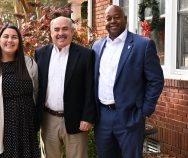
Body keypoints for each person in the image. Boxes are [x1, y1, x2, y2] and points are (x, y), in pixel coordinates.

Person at [92, 5, 164, 158]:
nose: (112, 21)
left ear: (125, 19)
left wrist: (144, 110)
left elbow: (156, 80)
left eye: (116, 17)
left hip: (130, 117)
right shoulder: (97, 46)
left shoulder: (142, 45)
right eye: (108, 18)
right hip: (103, 117)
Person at [0, 24, 40, 158]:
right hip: (0, 128)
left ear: (19, 42)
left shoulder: (29, 64)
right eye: (6, 36)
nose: (10, 40)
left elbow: (36, 92)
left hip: (25, 127)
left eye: (14, 37)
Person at [35, 16, 96, 158]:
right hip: (48, 119)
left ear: (72, 32)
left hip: (76, 120)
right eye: (56, 29)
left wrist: (87, 117)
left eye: (65, 29)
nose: (60, 33)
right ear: (51, 33)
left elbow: (90, 88)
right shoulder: (40, 54)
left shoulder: (86, 55)